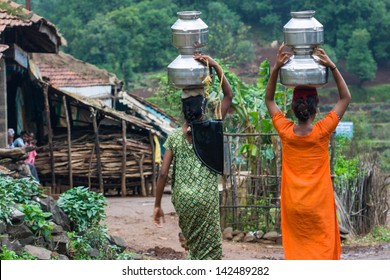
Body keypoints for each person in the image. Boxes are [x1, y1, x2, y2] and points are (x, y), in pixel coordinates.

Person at [265, 43, 351, 260]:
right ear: (317, 105)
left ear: (293, 108)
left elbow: (269, 99)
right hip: (318, 206)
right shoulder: (322, 131)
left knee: (298, 253)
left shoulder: (285, 131)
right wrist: (331, 66)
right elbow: (345, 98)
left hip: (294, 206)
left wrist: (276, 68)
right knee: (321, 251)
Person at [153, 53, 233, 260]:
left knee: (193, 245)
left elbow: (163, 174)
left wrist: (157, 204)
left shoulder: (174, 137)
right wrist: (214, 65)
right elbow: (228, 96)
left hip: (183, 199)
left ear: (183, 109)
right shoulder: (212, 127)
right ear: (203, 106)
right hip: (205, 198)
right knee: (210, 249)